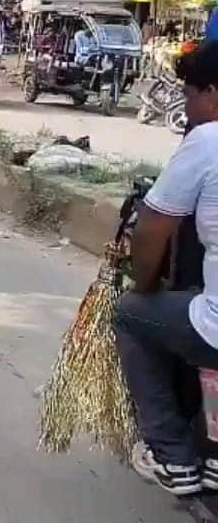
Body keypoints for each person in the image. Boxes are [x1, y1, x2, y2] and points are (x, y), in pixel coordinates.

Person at [115, 41, 218, 496]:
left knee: (132, 314)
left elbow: (153, 230)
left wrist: (146, 283)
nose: (188, 107)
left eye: (190, 94)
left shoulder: (208, 139)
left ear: (211, 92)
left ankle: (172, 455)